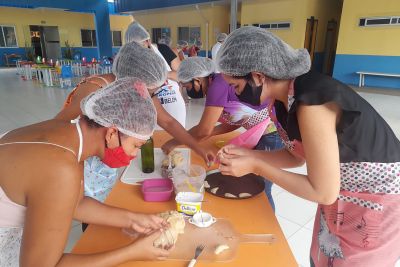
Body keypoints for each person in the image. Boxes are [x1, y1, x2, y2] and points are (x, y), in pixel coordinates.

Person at [216, 26, 400, 267]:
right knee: (323, 255)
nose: (233, 93)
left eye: (236, 86)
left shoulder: (311, 103)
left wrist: (257, 165)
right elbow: (295, 157)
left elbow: (322, 191)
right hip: (339, 192)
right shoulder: (281, 101)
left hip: (377, 199)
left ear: (258, 77)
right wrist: (249, 155)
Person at [0, 77, 172, 266]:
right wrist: (133, 252)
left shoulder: (69, 134)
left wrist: (133, 219)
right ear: (112, 133)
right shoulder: (61, 168)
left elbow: (76, 203)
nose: (135, 154)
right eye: (136, 145)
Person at [162, 57, 283, 209]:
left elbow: (203, 130)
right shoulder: (217, 83)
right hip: (261, 136)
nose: (187, 90)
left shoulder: (217, 86)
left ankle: (268, 226)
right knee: (255, 185)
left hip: (272, 136)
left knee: (262, 191)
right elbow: (233, 122)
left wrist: (175, 141)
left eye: (187, 85)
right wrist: (209, 132)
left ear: (197, 80)